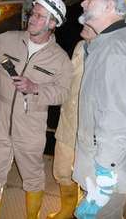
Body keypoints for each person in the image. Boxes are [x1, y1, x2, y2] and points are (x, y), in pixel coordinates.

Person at [0, 0, 73, 219]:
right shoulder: (9, 39)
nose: (32, 18)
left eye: (40, 16)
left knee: (32, 177)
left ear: (53, 23)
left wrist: (36, 88)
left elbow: (63, 93)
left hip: (32, 123)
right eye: (33, 13)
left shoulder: (60, 59)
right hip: (2, 119)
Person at [72, 0, 126, 219]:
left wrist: (103, 183)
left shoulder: (117, 52)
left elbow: (118, 120)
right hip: (99, 167)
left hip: (106, 174)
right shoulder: (106, 44)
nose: (84, 2)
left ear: (110, 4)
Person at [47, 23, 97, 219]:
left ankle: (85, 212)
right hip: (68, 120)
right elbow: (69, 76)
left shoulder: (108, 52)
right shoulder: (80, 46)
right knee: (61, 169)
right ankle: (68, 209)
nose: (84, 21)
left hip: (89, 127)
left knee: (88, 177)